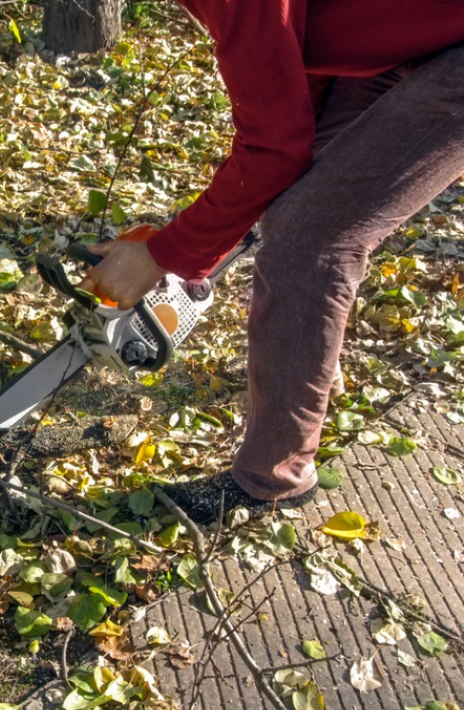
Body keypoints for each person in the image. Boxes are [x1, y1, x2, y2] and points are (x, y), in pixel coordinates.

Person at [77, 1, 464, 525]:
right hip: (401, 42)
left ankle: (273, 478)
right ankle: (309, 369)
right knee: (300, 209)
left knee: (310, 237)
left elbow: (272, 148)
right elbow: (298, 75)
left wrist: (166, 254)